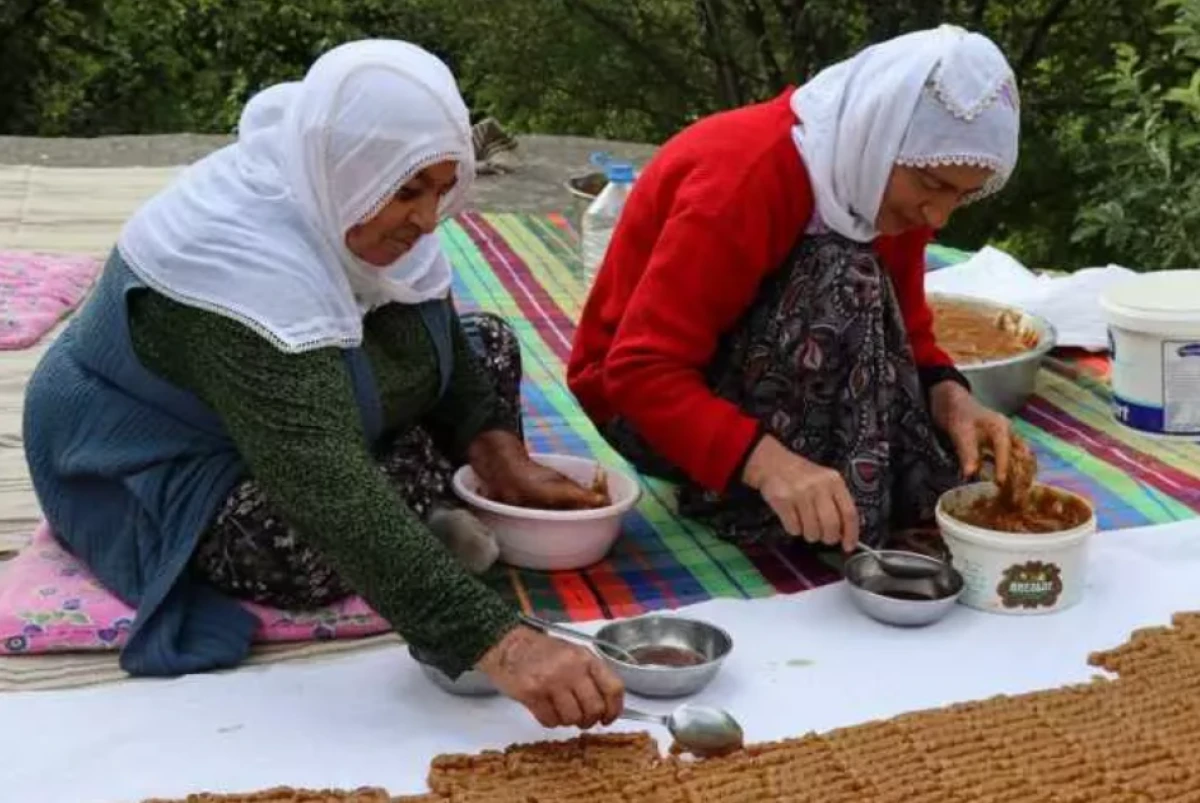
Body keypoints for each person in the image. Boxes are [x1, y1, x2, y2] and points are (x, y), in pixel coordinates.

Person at [23, 39, 624, 731]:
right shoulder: (234, 261)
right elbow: (323, 482)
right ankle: (406, 519)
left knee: (486, 347)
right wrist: (502, 642)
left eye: (440, 188)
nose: (429, 219)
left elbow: (438, 328)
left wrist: (498, 453)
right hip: (149, 460)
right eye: (408, 192)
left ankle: (418, 499)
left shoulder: (345, 186)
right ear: (355, 170)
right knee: (301, 542)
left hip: (280, 406)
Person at [567, 25, 1022, 551]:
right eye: (933, 186)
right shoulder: (743, 179)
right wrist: (771, 466)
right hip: (644, 410)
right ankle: (754, 493)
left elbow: (905, 322)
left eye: (961, 197)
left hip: (741, 368)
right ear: (879, 132)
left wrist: (948, 395)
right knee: (842, 273)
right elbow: (639, 373)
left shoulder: (877, 179)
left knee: (857, 280)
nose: (938, 214)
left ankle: (834, 482)